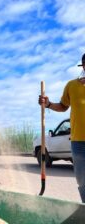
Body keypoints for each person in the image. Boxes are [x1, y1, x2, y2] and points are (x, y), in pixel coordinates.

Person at [38, 53, 85, 203]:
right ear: (83, 65)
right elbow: (63, 106)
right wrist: (49, 104)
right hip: (78, 142)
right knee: (82, 181)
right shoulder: (71, 86)